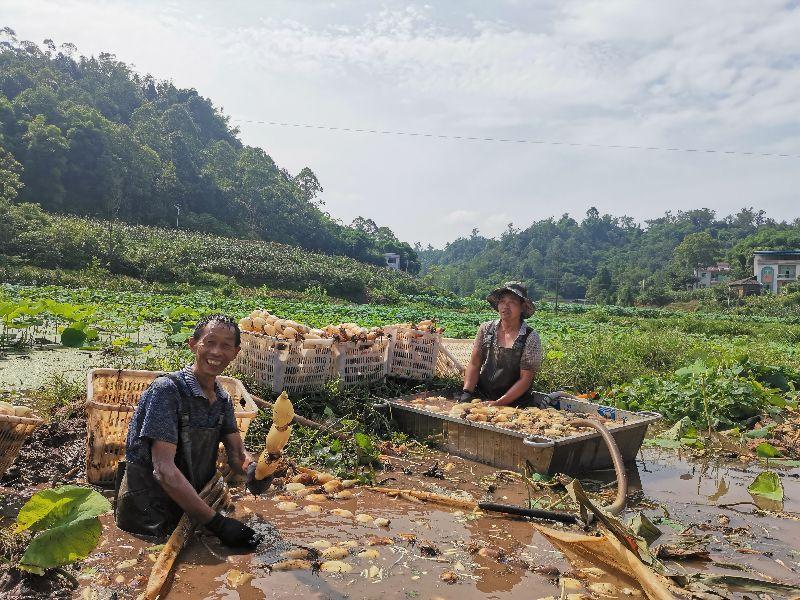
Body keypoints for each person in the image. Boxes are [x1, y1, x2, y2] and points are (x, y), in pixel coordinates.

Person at [115, 314, 263, 547]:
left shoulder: (222, 398)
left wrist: (255, 469)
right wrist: (217, 524)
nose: (216, 352)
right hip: (150, 513)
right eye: (210, 342)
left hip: (191, 508)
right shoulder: (167, 391)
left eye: (226, 346)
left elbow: (237, 454)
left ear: (235, 353)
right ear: (193, 344)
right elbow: (162, 469)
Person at [460, 282, 543, 407]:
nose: (505, 306)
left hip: (515, 403)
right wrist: (467, 392)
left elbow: (525, 379)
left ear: (522, 307)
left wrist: (499, 403)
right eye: (502, 301)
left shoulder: (530, 337)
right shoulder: (486, 329)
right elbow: (475, 363)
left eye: (512, 302)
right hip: (483, 397)